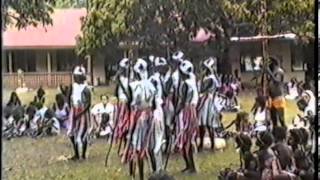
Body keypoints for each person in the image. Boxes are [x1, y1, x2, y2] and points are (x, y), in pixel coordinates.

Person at [175, 60, 198, 173]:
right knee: (187, 140)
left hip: (186, 112)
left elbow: (182, 101)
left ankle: (191, 166)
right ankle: (190, 166)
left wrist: (176, 113)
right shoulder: (192, 82)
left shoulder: (185, 84)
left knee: (185, 140)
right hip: (191, 111)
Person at [68, 63, 91, 160]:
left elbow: (88, 103)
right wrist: (72, 110)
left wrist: (80, 113)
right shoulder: (73, 87)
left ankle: (83, 155)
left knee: (83, 133)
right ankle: (76, 154)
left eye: (76, 76)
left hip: (83, 113)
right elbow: (69, 98)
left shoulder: (86, 89)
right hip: (74, 111)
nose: (74, 78)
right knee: (71, 133)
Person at [197, 57, 221, 151]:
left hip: (207, 101)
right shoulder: (210, 78)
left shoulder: (210, 79)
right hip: (206, 100)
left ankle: (211, 144)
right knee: (203, 124)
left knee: (207, 124)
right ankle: (204, 144)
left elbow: (202, 89)